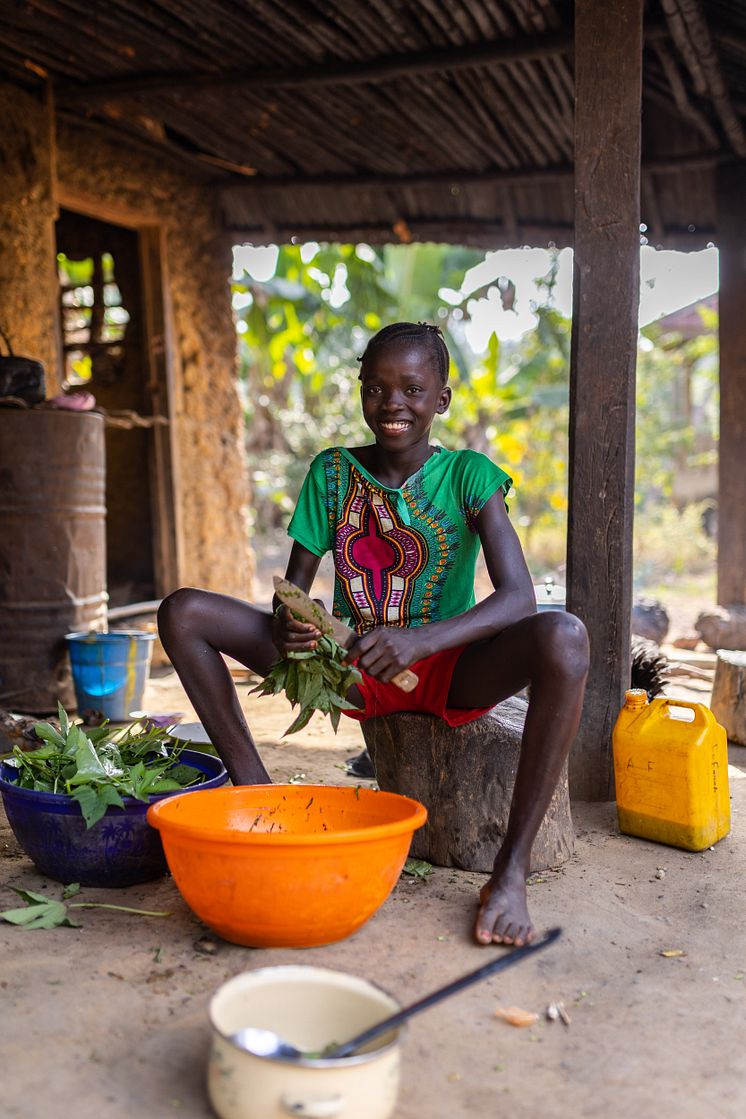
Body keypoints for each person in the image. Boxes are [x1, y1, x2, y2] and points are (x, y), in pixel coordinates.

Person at [158, 321, 589, 948]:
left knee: (566, 636)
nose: (393, 405)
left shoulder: (470, 475)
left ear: (440, 399)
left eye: (412, 390)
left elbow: (519, 596)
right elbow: (293, 593)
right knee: (183, 611)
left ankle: (510, 871)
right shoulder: (332, 474)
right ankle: (259, 797)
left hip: (452, 666)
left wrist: (420, 641)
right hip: (350, 668)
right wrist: (297, 628)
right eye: (376, 389)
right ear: (361, 392)